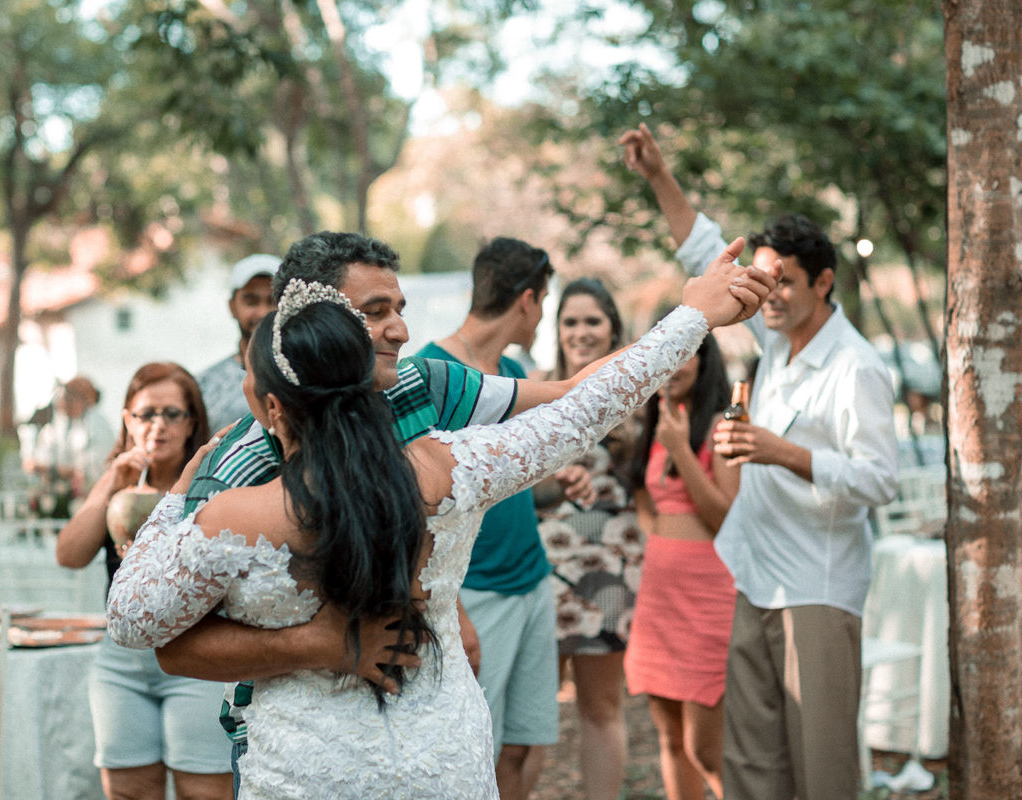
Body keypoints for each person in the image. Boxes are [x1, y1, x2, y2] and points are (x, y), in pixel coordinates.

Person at [106, 238, 779, 799]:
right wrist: (690, 317)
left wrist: (172, 507)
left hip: (312, 773)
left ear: (274, 405)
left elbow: (133, 618)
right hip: (441, 760)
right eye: (379, 313)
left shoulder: (231, 512)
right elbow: (584, 412)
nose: (399, 328)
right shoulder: (455, 469)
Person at [623, 122, 899, 799]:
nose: (769, 295)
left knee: (821, 767)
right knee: (752, 767)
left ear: (825, 282)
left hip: (818, 589)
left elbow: (880, 479)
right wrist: (659, 176)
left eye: (786, 283)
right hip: (752, 578)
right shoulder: (777, 342)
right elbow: (705, 248)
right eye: (765, 280)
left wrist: (784, 453)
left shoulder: (856, 367)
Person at [417, 238, 591, 800]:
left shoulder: (514, 371)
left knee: (521, 746)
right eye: (543, 303)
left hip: (531, 582)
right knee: (473, 751)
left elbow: (514, 489)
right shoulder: (430, 375)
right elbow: (415, 511)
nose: (542, 316)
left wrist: (555, 489)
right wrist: (455, 610)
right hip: (476, 593)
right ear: (526, 300)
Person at [54, 363, 232, 800]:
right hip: (121, 662)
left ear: (192, 423)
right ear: (127, 420)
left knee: (204, 793)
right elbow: (69, 555)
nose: (159, 425)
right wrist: (110, 482)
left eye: (173, 414)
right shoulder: (117, 490)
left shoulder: (211, 487)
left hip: (196, 656)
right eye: (146, 414)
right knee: (128, 793)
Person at [532, 278, 643, 800]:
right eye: (570, 321)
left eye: (592, 321)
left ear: (613, 328)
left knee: (601, 707)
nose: (580, 331)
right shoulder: (534, 388)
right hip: (539, 572)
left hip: (609, 574)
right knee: (531, 714)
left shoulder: (640, 395)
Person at [624, 330, 738, 800]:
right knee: (670, 739)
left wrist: (681, 451)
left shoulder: (723, 424)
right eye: (667, 354)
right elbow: (642, 495)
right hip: (659, 598)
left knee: (707, 749)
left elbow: (725, 517)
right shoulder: (659, 420)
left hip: (708, 597)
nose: (676, 365)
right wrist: (661, 540)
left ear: (706, 358)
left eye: (687, 353)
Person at [197, 254, 280, 432]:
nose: (262, 313)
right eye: (251, 301)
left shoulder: (305, 376)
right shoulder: (205, 386)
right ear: (232, 307)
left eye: (272, 301)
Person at [29, 375, 116, 516]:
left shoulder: (96, 424)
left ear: (77, 398)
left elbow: (93, 469)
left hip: (93, 501)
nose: (59, 402)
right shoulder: (70, 424)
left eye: (64, 396)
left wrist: (55, 469)